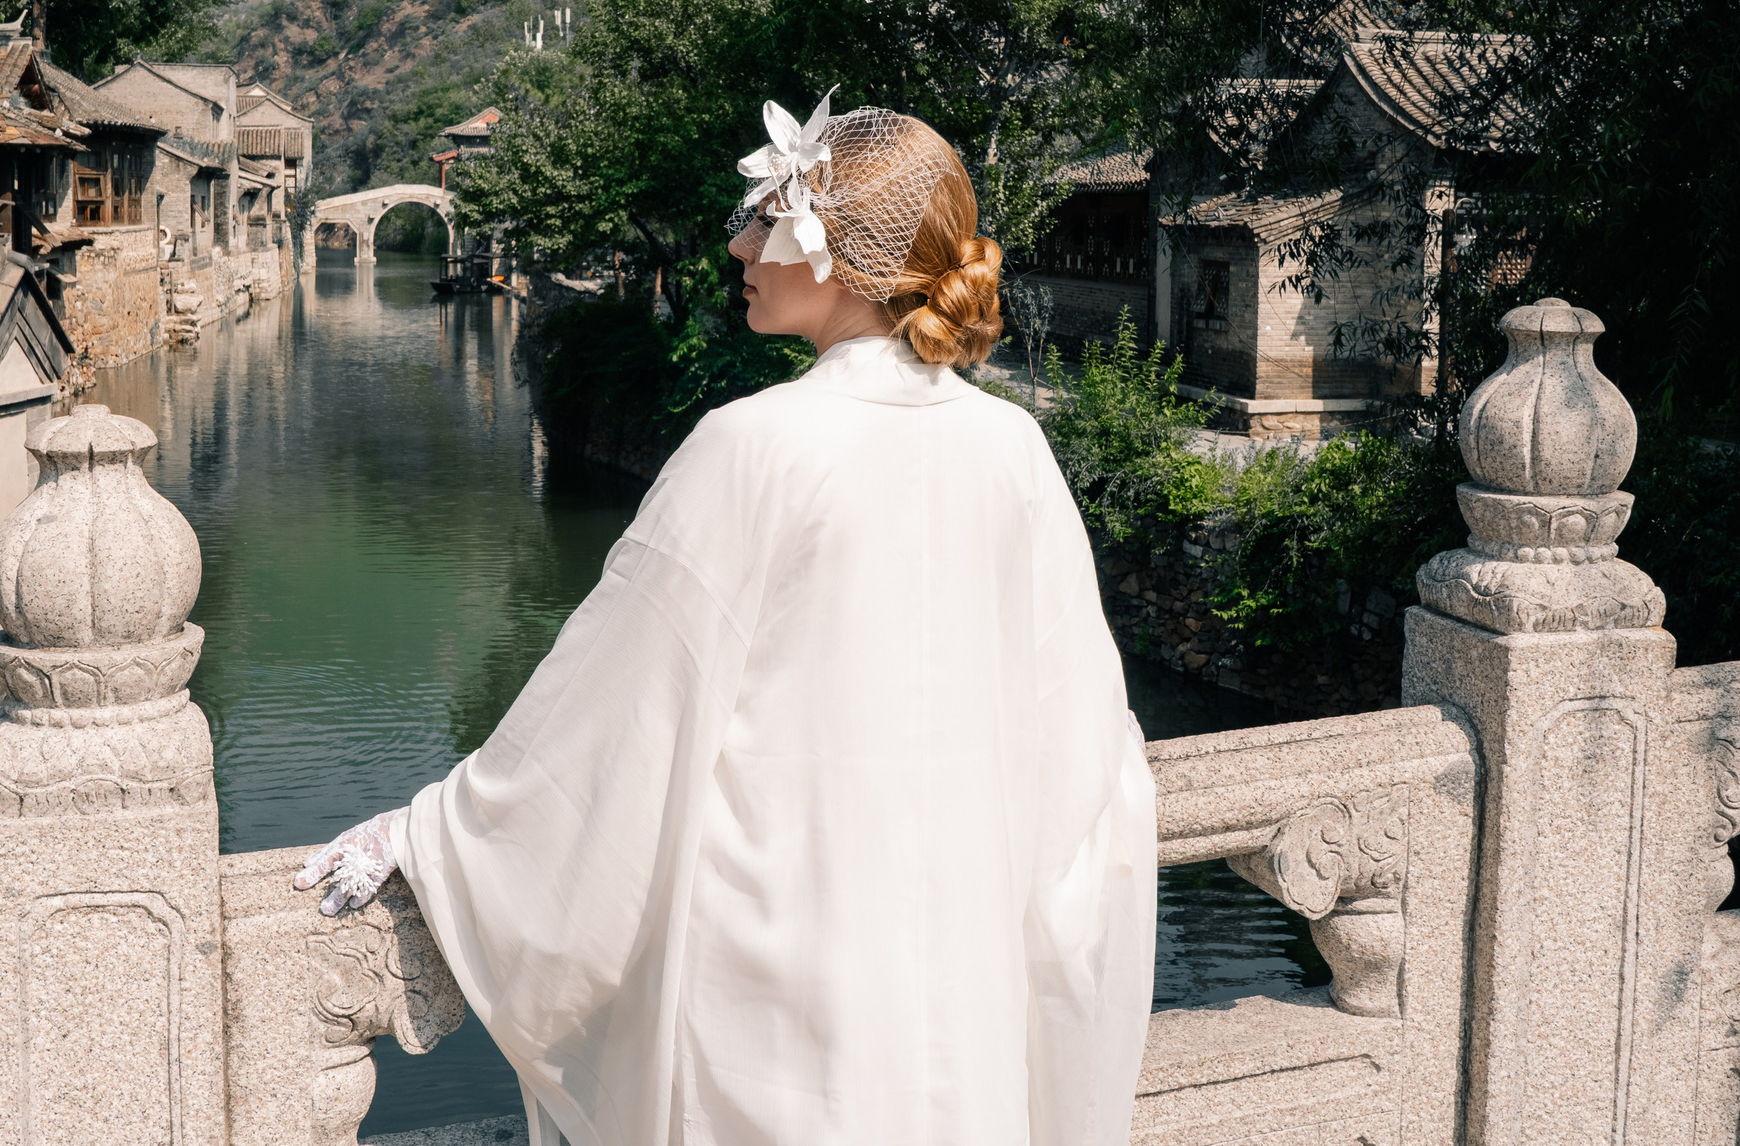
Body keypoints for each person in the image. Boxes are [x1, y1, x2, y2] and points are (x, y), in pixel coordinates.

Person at [296, 96, 1159, 1146]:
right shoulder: (1010, 446)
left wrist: (437, 831)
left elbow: (610, 709)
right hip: (957, 969)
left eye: (763, 218)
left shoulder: (755, 442)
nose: (736, 242)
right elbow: (1080, 735)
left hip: (779, 963)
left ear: (830, 252)